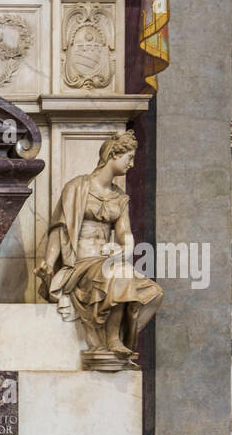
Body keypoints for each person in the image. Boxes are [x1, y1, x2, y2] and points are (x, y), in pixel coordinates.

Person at [34, 131, 162, 370]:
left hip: (107, 264)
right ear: (114, 154)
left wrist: (122, 249)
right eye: (129, 158)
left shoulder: (120, 198)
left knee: (153, 294)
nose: (132, 164)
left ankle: (119, 338)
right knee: (120, 274)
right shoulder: (77, 187)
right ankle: (111, 339)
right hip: (80, 265)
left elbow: (126, 237)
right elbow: (59, 230)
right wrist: (49, 264)